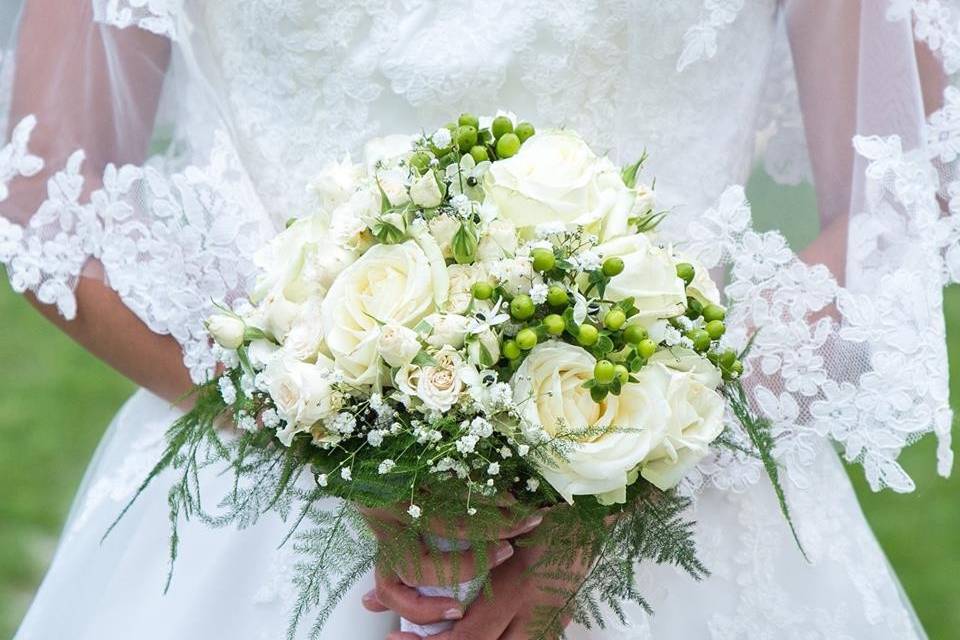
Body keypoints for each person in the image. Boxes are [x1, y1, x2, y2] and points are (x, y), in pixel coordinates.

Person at [1, 1, 955, 638]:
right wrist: (309, 416)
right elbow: (43, 198)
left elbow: (907, 189)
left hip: (695, 499)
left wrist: (634, 451)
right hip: (256, 507)